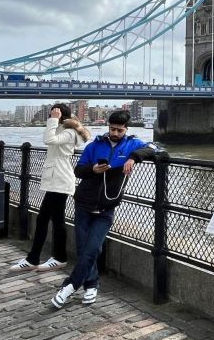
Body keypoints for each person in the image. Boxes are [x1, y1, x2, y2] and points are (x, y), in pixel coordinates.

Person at [50, 110, 156, 309]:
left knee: (92, 248)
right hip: (83, 203)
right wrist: (93, 170)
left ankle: (69, 286)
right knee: (84, 249)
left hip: (106, 208)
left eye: (119, 130)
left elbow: (154, 148)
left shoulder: (132, 144)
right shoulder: (94, 145)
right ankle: (91, 285)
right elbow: (78, 170)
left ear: (126, 129)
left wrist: (134, 157)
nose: (115, 133)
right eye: (112, 129)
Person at [9, 103, 90, 272]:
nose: (51, 115)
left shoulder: (69, 132)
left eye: (54, 112)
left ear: (60, 115)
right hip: (56, 178)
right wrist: (54, 121)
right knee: (44, 219)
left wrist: (53, 120)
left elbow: (49, 140)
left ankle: (58, 258)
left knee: (56, 219)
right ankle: (34, 258)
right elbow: (49, 138)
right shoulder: (63, 129)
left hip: (60, 179)